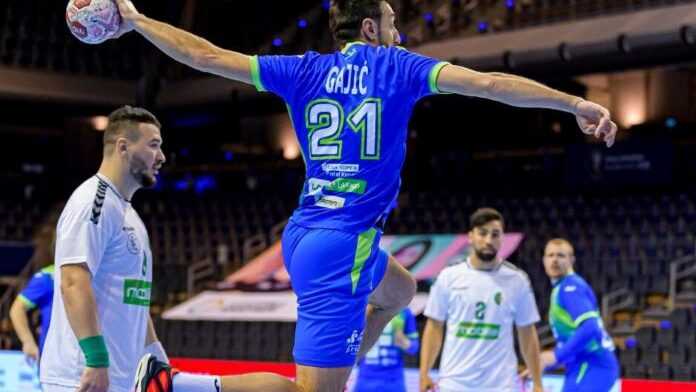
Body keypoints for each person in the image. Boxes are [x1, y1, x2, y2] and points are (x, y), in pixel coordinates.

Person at [110, 0, 618, 391]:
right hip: (343, 249)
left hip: (311, 232)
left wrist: (135, 18)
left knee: (398, 293)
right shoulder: (397, 67)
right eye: (393, 22)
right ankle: (176, 382)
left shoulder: (303, 69)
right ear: (372, 30)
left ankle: (339, 361)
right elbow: (488, 82)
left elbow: (204, 55)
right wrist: (572, 103)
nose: (401, 33)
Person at [39, 106, 168, 392]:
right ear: (123, 147)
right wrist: (96, 360)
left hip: (119, 379)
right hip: (80, 376)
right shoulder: (92, 202)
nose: (161, 157)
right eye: (154, 145)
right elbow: (73, 281)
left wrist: (156, 357)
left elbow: (134, 298)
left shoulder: (128, 213)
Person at [419, 208, 543, 392]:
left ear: (502, 238)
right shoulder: (448, 277)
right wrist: (424, 374)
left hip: (500, 385)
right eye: (482, 233)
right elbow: (434, 327)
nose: (488, 240)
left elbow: (527, 332)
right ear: (470, 236)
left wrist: (538, 383)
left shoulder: (517, 280)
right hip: (454, 384)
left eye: (495, 234)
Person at [537, 238, 619, 392]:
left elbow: (590, 327)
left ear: (571, 260)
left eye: (561, 256)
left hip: (591, 365)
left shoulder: (570, 287)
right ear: (544, 260)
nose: (554, 260)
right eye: (550, 255)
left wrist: (557, 356)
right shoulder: (561, 288)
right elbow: (572, 339)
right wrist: (546, 362)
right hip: (582, 366)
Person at [9, 220, 58, 365]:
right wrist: (28, 342)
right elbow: (17, 309)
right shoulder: (48, 277)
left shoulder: (97, 276)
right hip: (53, 361)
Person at [354, 308, 419, 392]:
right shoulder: (364, 307)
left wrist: (404, 342)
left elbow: (415, 348)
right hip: (365, 380)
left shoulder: (404, 311)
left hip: (394, 381)